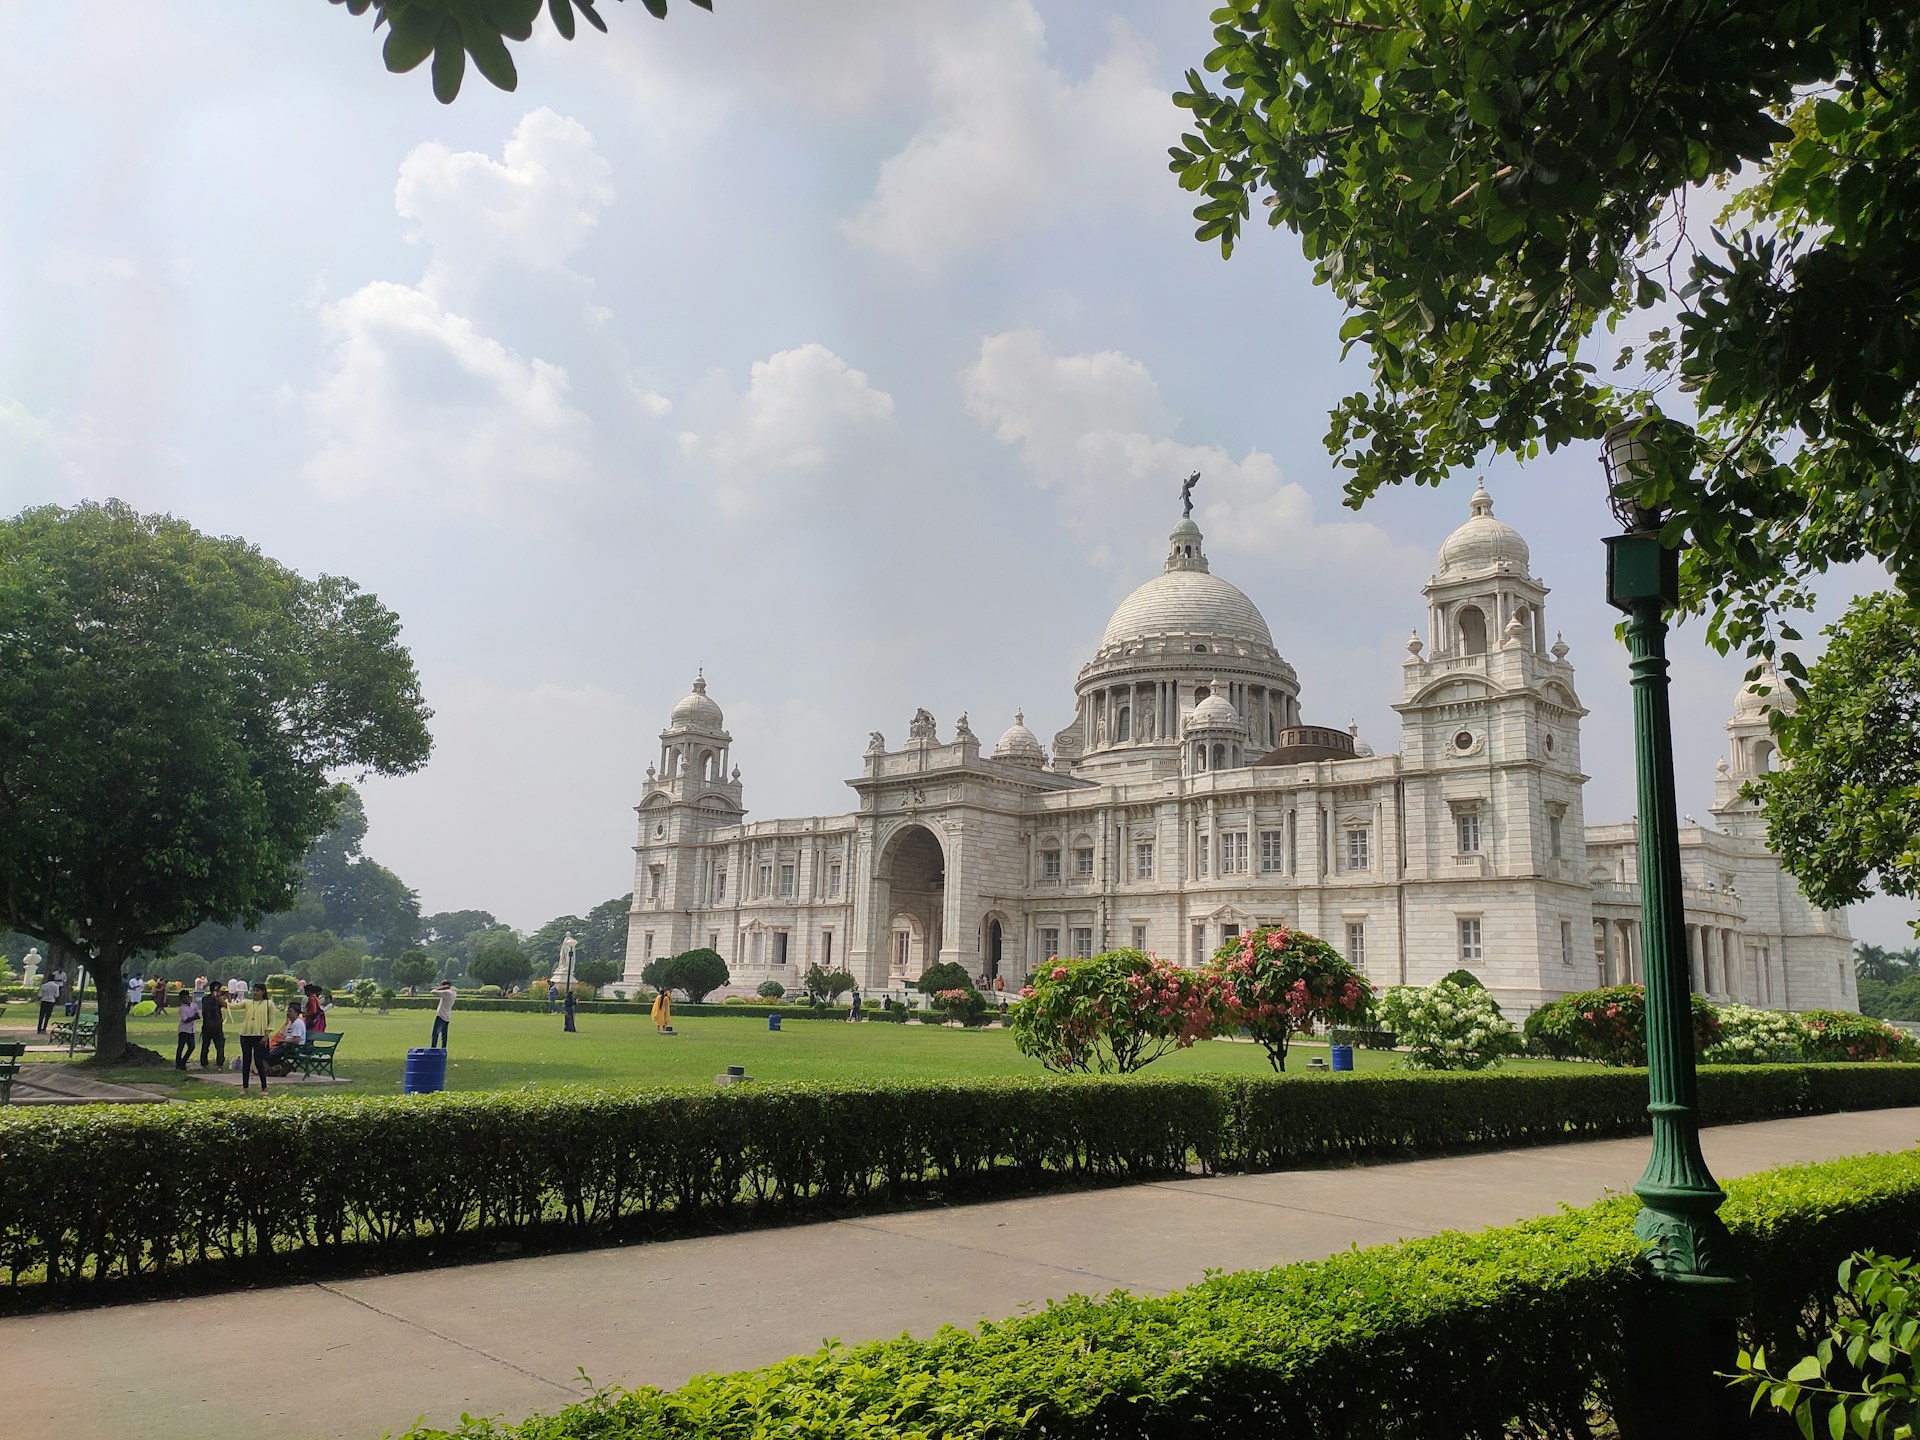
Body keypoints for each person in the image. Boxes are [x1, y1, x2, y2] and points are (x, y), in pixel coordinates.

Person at [236, 982, 276, 1093]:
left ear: (263, 992)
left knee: (259, 1061)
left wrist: (266, 1035)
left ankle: (264, 1087)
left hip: (260, 1036)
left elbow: (271, 1021)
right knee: (246, 1061)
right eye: (254, 990)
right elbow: (232, 1006)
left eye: (257, 991)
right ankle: (245, 1088)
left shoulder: (269, 1004)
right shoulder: (247, 1003)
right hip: (246, 1034)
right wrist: (220, 999)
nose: (255, 993)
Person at [267, 1002, 306, 1073]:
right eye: (288, 1011)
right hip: (287, 1045)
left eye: (290, 1011)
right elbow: (286, 1036)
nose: (288, 1013)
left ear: (296, 1013)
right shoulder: (290, 1024)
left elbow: (296, 1041)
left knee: (271, 1056)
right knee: (268, 1052)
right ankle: (278, 1067)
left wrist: (283, 1041)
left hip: (295, 1048)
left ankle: (284, 1066)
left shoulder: (298, 1023)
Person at [199, 982, 227, 1071]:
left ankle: (207, 1063)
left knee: (209, 1045)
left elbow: (225, 1005)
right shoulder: (212, 1000)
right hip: (213, 1026)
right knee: (217, 1045)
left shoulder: (206, 999)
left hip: (211, 1026)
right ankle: (217, 1063)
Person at [173, 991, 200, 1071]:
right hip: (183, 1030)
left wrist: (193, 1017)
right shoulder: (182, 1008)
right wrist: (193, 1017)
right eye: (183, 998)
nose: (186, 999)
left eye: (186, 997)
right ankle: (178, 1064)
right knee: (181, 1047)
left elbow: (198, 1015)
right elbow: (185, 1020)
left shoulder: (193, 1005)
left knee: (192, 1046)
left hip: (191, 1029)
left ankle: (183, 1062)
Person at [428, 980, 455, 1050]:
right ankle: (443, 1049)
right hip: (447, 1016)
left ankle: (433, 1049)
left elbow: (433, 992)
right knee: (444, 1035)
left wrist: (440, 988)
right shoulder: (453, 993)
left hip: (441, 1016)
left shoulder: (447, 993)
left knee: (435, 1034)